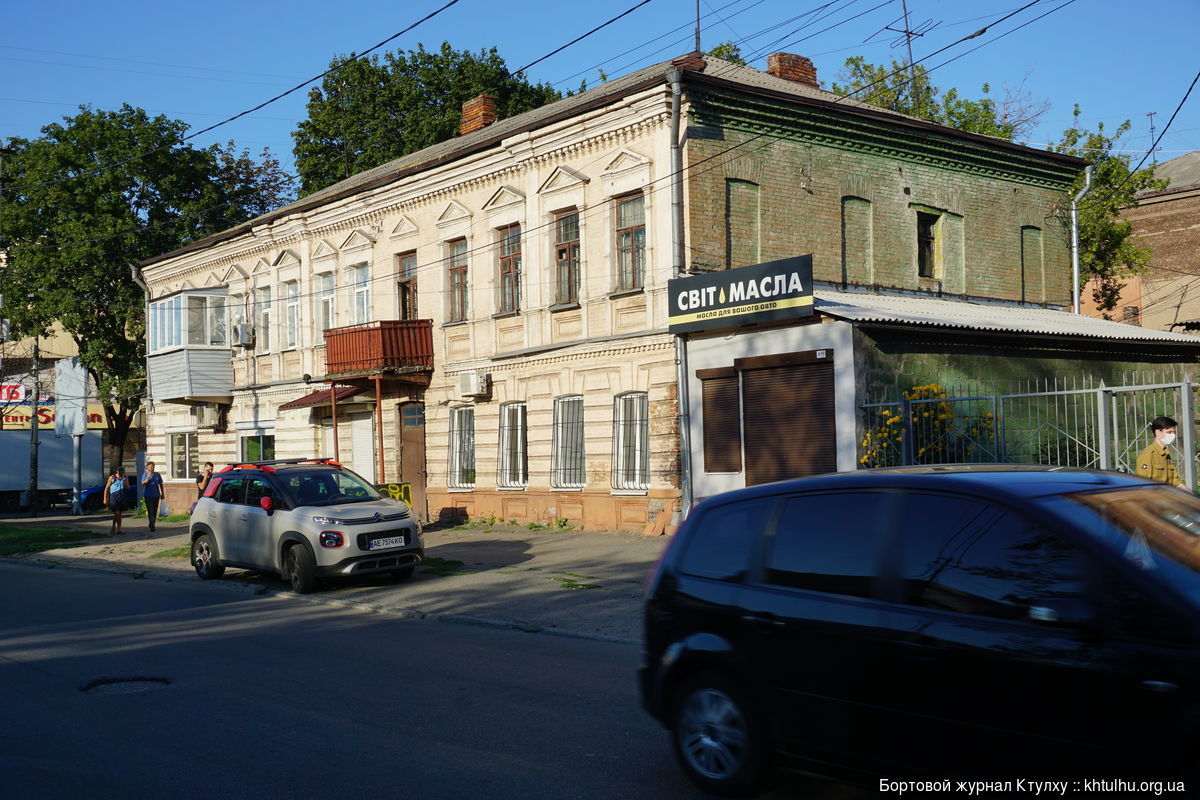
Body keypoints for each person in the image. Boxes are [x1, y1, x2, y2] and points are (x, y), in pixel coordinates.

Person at [1136, 416, 1190, 491]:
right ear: (1158, 432)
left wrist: (1191, 495)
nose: (1173, 435)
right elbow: (1143, 485)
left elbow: (1175, 481)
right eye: (1169, 432)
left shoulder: (1166, 454)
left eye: (1174, 432)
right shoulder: (1148, 454)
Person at [103, 465, 130, 535]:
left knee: (120, 514)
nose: (121, 474)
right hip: (114, 497)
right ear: (117, 471)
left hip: (122, 496)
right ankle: (113, 527)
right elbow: (106, 488)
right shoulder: (112, 477)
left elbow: (128, 486)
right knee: (116, 513)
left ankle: (119, 529)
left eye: (122, 472)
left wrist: (127, 486)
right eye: (120, 472)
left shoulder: (125, 477)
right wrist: (105, 499)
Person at [141, 461, 164, 532]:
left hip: (156, 495)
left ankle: (152, 523)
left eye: (153, 466)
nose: (152, 468)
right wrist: (147, 478)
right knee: (150, 510)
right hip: (148, 495)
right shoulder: (145, 474)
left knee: (154, 511)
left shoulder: (157, 475)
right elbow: (143, 483)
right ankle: (152, 525)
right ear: (147, 467)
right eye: (151, 466)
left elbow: (161, 484)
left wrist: (162, 494)